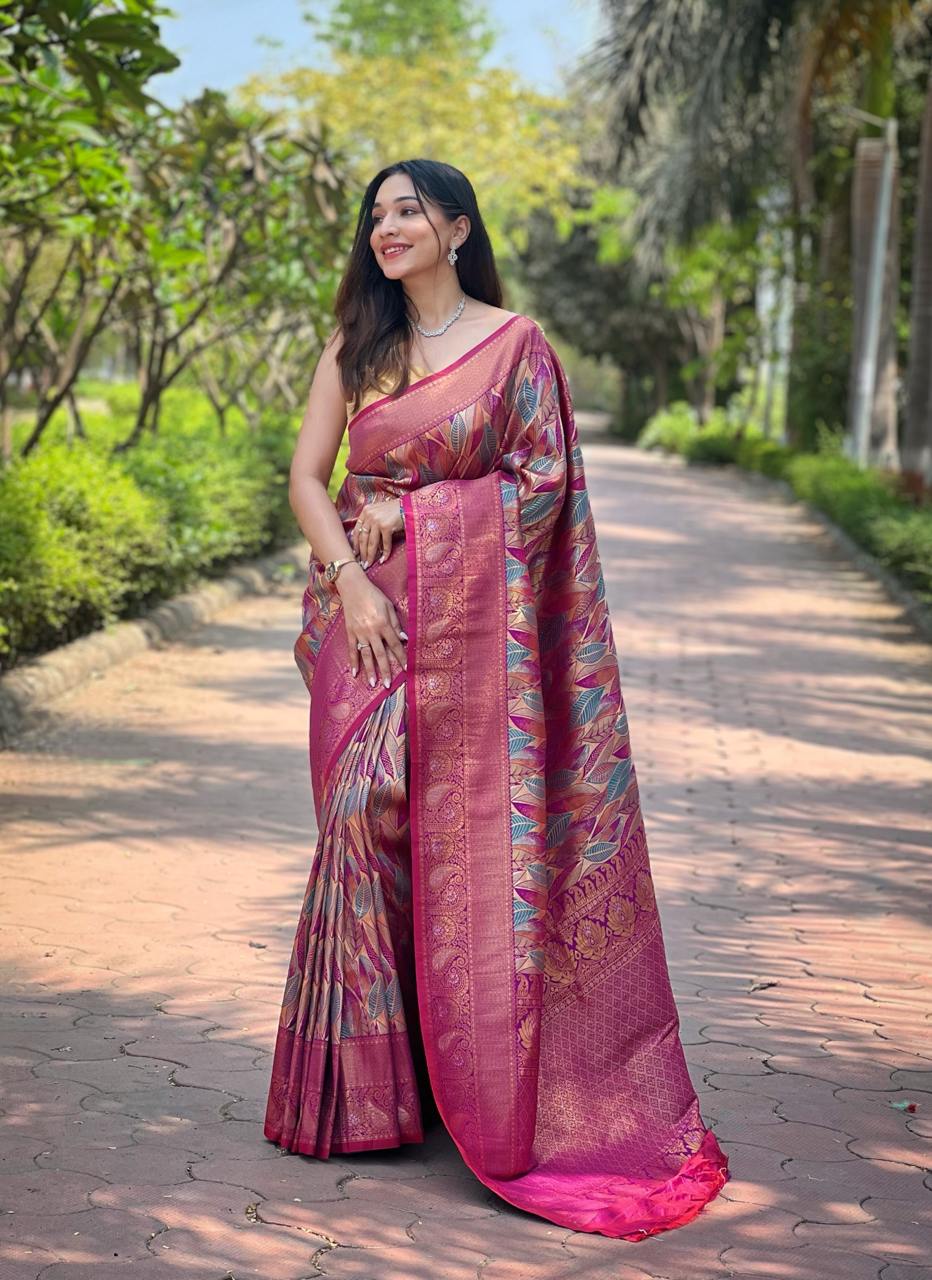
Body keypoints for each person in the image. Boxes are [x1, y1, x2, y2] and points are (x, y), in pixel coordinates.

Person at [264, 157, 730, 1240]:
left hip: (472, 631)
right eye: (376, 214)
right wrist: (350, 576)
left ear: (458, 228)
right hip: (366, 620)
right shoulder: (355, 344)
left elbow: (542, 485)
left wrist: (419, 514)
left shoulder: (515, 347)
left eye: (408, 211)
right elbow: (306, 478)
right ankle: (365, 1095)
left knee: (445, 835)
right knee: (359, 822)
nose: (386, 228)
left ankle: (457, 1074)